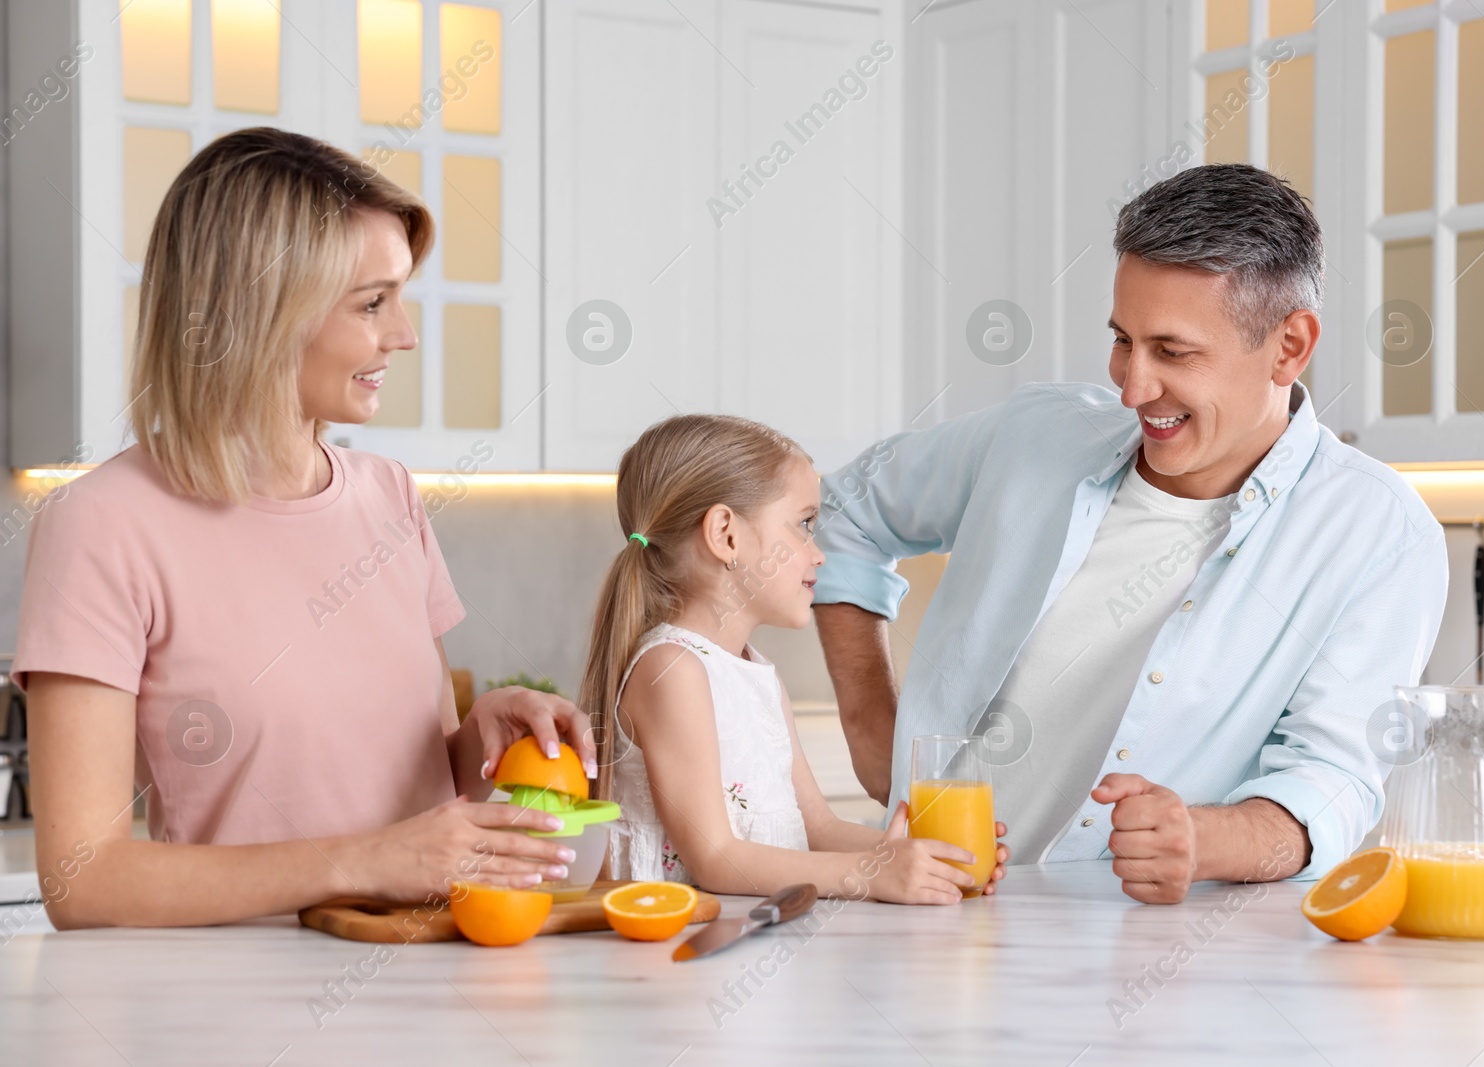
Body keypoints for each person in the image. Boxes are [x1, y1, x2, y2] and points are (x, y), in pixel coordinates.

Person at [811, 163, 1449, 903]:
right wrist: (870, 728)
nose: (1132, 386)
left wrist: (1206, 839)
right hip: (926, 909)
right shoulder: (1034, 437)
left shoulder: (1379, 534)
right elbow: (843, 512)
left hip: (1134, 957)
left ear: (1289, 346)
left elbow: (1333, 782)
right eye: (1123, 340)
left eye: (1173, 352)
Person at [15, 128, 591, 928]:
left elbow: (421, 781)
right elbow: (84, 882)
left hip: (432, 975)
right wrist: (361, 861)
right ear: (259, 310)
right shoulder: (102, 524)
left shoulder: (389, 496)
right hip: (245, 1008)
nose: (404, 334)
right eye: (371, 302)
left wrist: (483, 740)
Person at [582, 414, 1010, 904]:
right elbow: (716, 857)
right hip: (675, 957)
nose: (819, 553)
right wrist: (871, 873)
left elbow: (818, 828)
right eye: (805, 524)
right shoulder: (673, 671)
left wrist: (930, 857)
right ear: (726, 534)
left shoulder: (755, 673)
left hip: (747, 938)